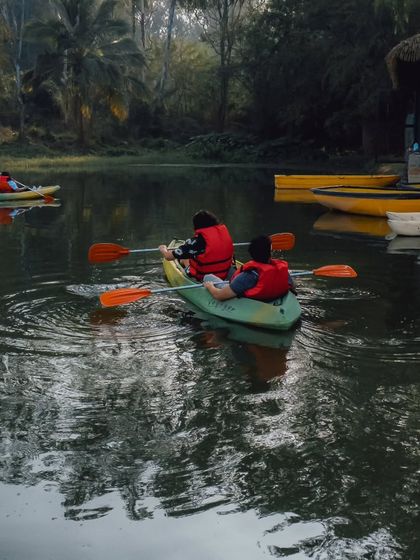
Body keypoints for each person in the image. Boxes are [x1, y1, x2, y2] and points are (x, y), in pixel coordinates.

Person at [204, 234, 295, 302]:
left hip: (249, 296)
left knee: (208, 277)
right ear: (270, 253)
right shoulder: (281, 269)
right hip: (271, 297)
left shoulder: (247, 276)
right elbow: (292, 287)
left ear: (251, 254)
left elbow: (219, 296)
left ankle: (208, 279)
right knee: (232, 271)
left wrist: (210, 286)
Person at [159, 210, 234, 281]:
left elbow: (168, 257)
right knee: (188, 256)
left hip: (203, 277)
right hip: (224, 273)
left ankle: (183, 262)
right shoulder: (223, 234)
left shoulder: (196, 242)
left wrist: (163, 249)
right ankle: (183, 260)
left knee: (185, 257)